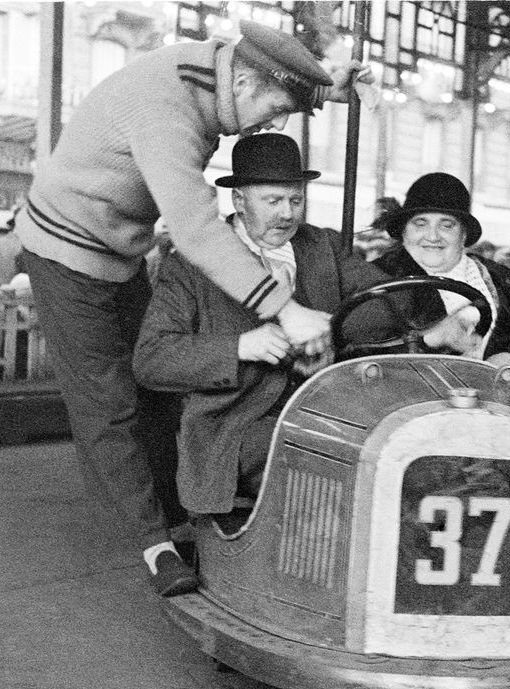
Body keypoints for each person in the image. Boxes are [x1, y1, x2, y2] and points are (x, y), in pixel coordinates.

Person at [12, 21, 370, 593]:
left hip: (117, 250)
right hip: (63, 252)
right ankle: (154, 544)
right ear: (247, 81)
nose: (276, 124)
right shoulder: (166, 111)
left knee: (153, 392)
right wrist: (285, 308)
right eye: (277, 108)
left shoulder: (221, 70)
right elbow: (196, 228)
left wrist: (322, 89)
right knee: (106, 404)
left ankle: (180, 518)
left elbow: (263, 76)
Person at [134, 136, 397, 561]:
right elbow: (152, 360)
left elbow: (386, 304)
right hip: (236, 426)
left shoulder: (322, 247)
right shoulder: (191, 264)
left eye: (295, 200)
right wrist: (240, 346)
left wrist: (327, 331)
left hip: (325, 407)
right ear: (238, 200)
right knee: (329, 453)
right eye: (273, 200)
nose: (287, 213)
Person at [371, 171, 510, 521]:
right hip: (401, 411)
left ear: (464, 234)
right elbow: (358, 351)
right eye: (420, 223)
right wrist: (431, 338)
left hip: (490, 409)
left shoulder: (501, 282)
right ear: (403, 230)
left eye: (446, 225)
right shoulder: (375, 279)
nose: (432, 236)